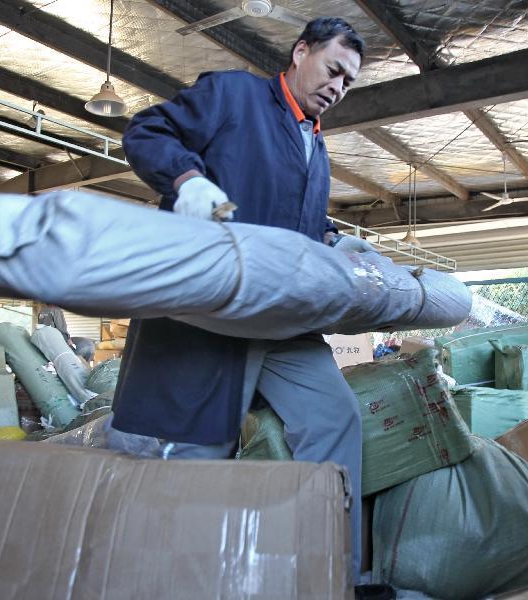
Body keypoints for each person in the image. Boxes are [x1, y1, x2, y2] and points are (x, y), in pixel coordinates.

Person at [113, 17, 373, 583]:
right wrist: (187, 180)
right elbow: (146, 132)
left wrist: (331, 238)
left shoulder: (314, 143)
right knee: (205, 446)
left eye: (348, 82)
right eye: (333, 70)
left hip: (282, 317)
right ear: (301, 52)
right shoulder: (234, 96)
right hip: (215, 313)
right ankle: (179, 581)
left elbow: (289, 218)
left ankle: (328, 572)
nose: (337, 87)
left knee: (335, 417)